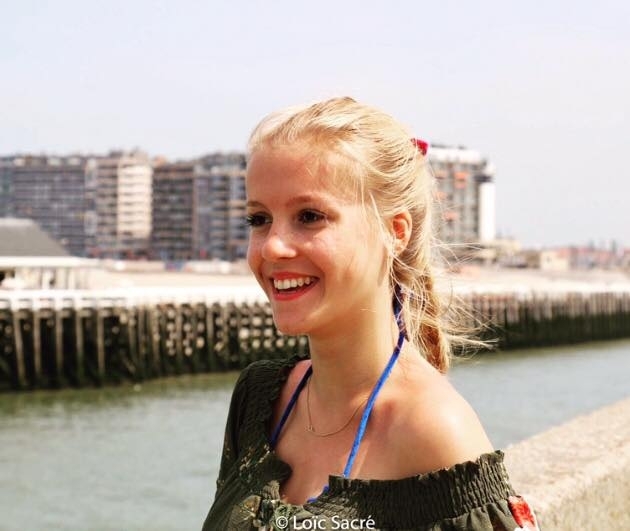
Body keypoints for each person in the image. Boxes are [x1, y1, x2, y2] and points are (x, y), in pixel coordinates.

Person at [202, 97, 539, 530]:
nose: (272, 246)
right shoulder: (258, 399)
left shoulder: (433, 431)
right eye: (259, 219)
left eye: (309, 216)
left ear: (395, 232)